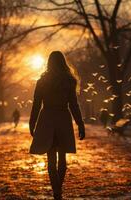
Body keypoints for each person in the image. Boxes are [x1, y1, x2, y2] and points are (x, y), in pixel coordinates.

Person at [29, 51, 85, 200]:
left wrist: (32, 122)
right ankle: (58, 191)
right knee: (62, 158)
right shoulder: (69, 80)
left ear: (49, 63)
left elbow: (36, 104)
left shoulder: (42, 81)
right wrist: (80, 123)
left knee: (51, 159)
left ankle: (57, 192)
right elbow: (74, 104)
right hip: (63, 119)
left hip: (47, 119)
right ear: (63, 62)